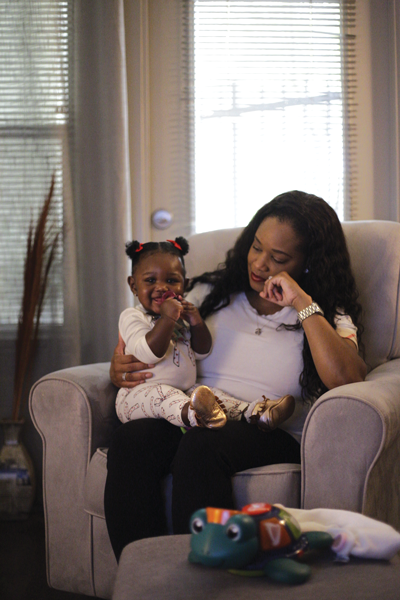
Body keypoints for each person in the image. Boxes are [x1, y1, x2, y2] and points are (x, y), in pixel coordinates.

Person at [105, 191, 367, 561]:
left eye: (278, 258)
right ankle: (142, 576)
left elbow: (348, 378)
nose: (259, 264)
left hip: (267, 429)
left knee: (202, 445)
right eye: (256, 246)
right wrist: (118, 368)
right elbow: (148, 336)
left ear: (308, 263)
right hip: (195, 411)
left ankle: (199, 580)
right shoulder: (212, 293)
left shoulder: (323, 314)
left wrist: (300, 302)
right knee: (134, 437)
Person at [116, 236, 295, 431]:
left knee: (213, 395)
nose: (162, 287)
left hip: (183, 392)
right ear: (134, 285)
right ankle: (197, 415)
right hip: (139, 395)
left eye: (171, 280)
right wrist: (167, 319)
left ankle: (257, 413)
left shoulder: (180, 317)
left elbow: (202, 352)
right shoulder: (132, 317)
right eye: (150, 280)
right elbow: (147, 353)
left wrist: (196, 322)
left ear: (184, 285)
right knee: (163, 395)